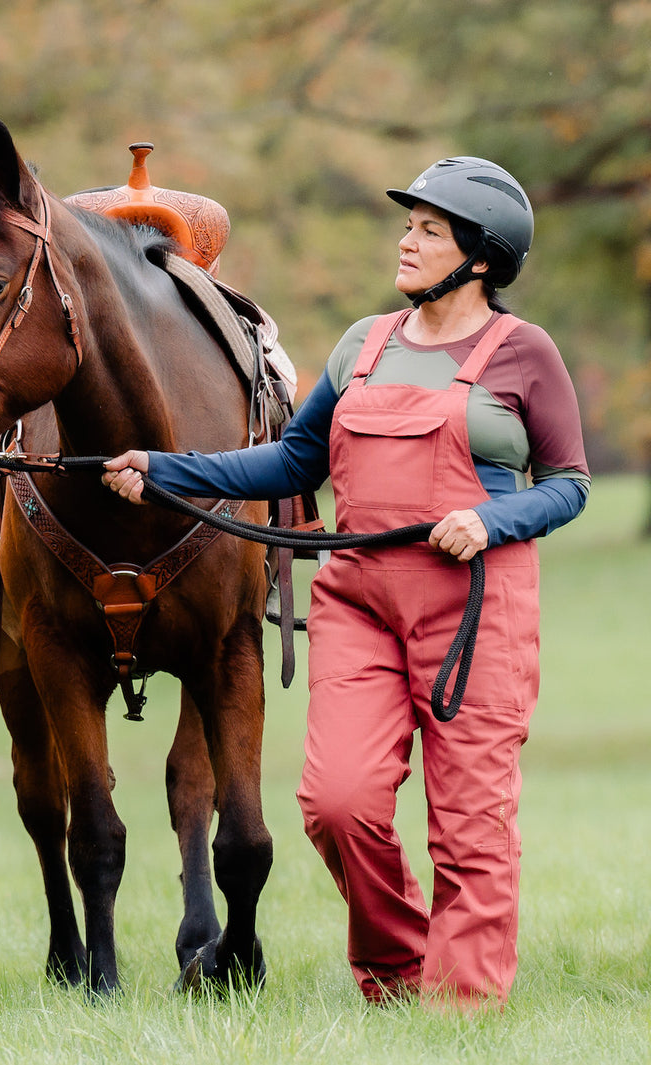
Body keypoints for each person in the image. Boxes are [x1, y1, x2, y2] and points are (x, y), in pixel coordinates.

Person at [103, 157, 589, 1009]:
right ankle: (401, 972)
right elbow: (295, 457)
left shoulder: (524, 354)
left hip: (474, 608)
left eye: (429, 231)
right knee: (338, 803)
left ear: (481, 254)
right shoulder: (363, 344)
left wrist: (491, 519)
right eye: (408, 225)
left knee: (470, 822)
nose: (406, 240)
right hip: (361, 600)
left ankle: (460, 1008)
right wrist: (168, 470)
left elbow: (571, 481)